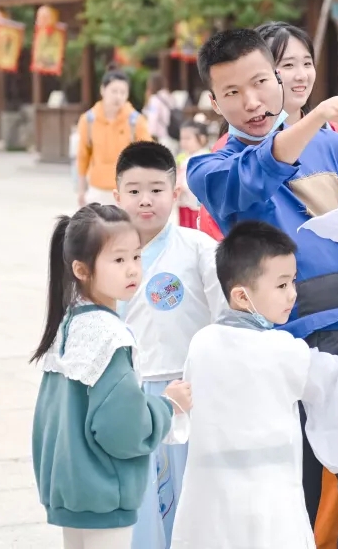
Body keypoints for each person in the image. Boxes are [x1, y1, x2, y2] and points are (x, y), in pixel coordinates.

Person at [187, 29, 338, 549]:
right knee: (288, 472)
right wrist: (316, 115)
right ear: (215, 102)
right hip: (272, 339)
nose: (252, 101)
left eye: (261, 82)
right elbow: (261, 170)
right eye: (233, 93)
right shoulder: (209, 167)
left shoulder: (334, 145)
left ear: (277, 75)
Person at [171, 220, 338, 549]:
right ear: (242, 295)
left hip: (213, 487)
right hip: (268, 490)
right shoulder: (280, 348)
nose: (293, 293)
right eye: (282, 285)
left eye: (293, 282)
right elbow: (326, 374)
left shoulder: (201, 343)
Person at [31, 203, 192, 549]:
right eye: (118, 260)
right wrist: (168, 406)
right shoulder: (111, 336)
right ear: (81, 269)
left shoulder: (70, 323)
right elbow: (123, 430)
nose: (133, 269)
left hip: (71, 491)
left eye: (136, 256)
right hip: (104, 494)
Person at [112, 141, 228, 549]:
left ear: (175, 193)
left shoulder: (198, 249)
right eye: (134, 190)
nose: (146, 200)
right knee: (138, 501)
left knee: (190, 500)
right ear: (117, 195)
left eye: (157, 190)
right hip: (127, 393)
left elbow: (225, 320)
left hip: (186, 391)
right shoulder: (102, 252)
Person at [197, 22, 338, 243]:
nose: (301, 75)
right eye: (287, 65)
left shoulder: (334, 134)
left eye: (307, 63)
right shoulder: (228, 151)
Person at [77, 71, 152, 207]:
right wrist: (81, 190)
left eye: (123, 92)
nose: (118, 96)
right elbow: (83, 156)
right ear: (103, 90)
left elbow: (149, 155)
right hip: (97, 190)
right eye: (114, 91)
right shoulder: (88, 120)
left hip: (128, 191)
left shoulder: (136, 121)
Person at [175, 121, 209, 230]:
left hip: (196, 201)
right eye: (182, 138)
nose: (184, 142)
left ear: (202, 139)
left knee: (195, 228)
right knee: (185, 227)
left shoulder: (204, 156)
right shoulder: (183, 157)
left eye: (188, 138)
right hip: (184, 199)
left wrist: (183, 185)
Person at [144, 74, 177, 149]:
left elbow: (152, 119)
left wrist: (149, 135)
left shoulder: (155, 99)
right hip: (173, 134)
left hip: (162, 137)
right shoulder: (170, 96)